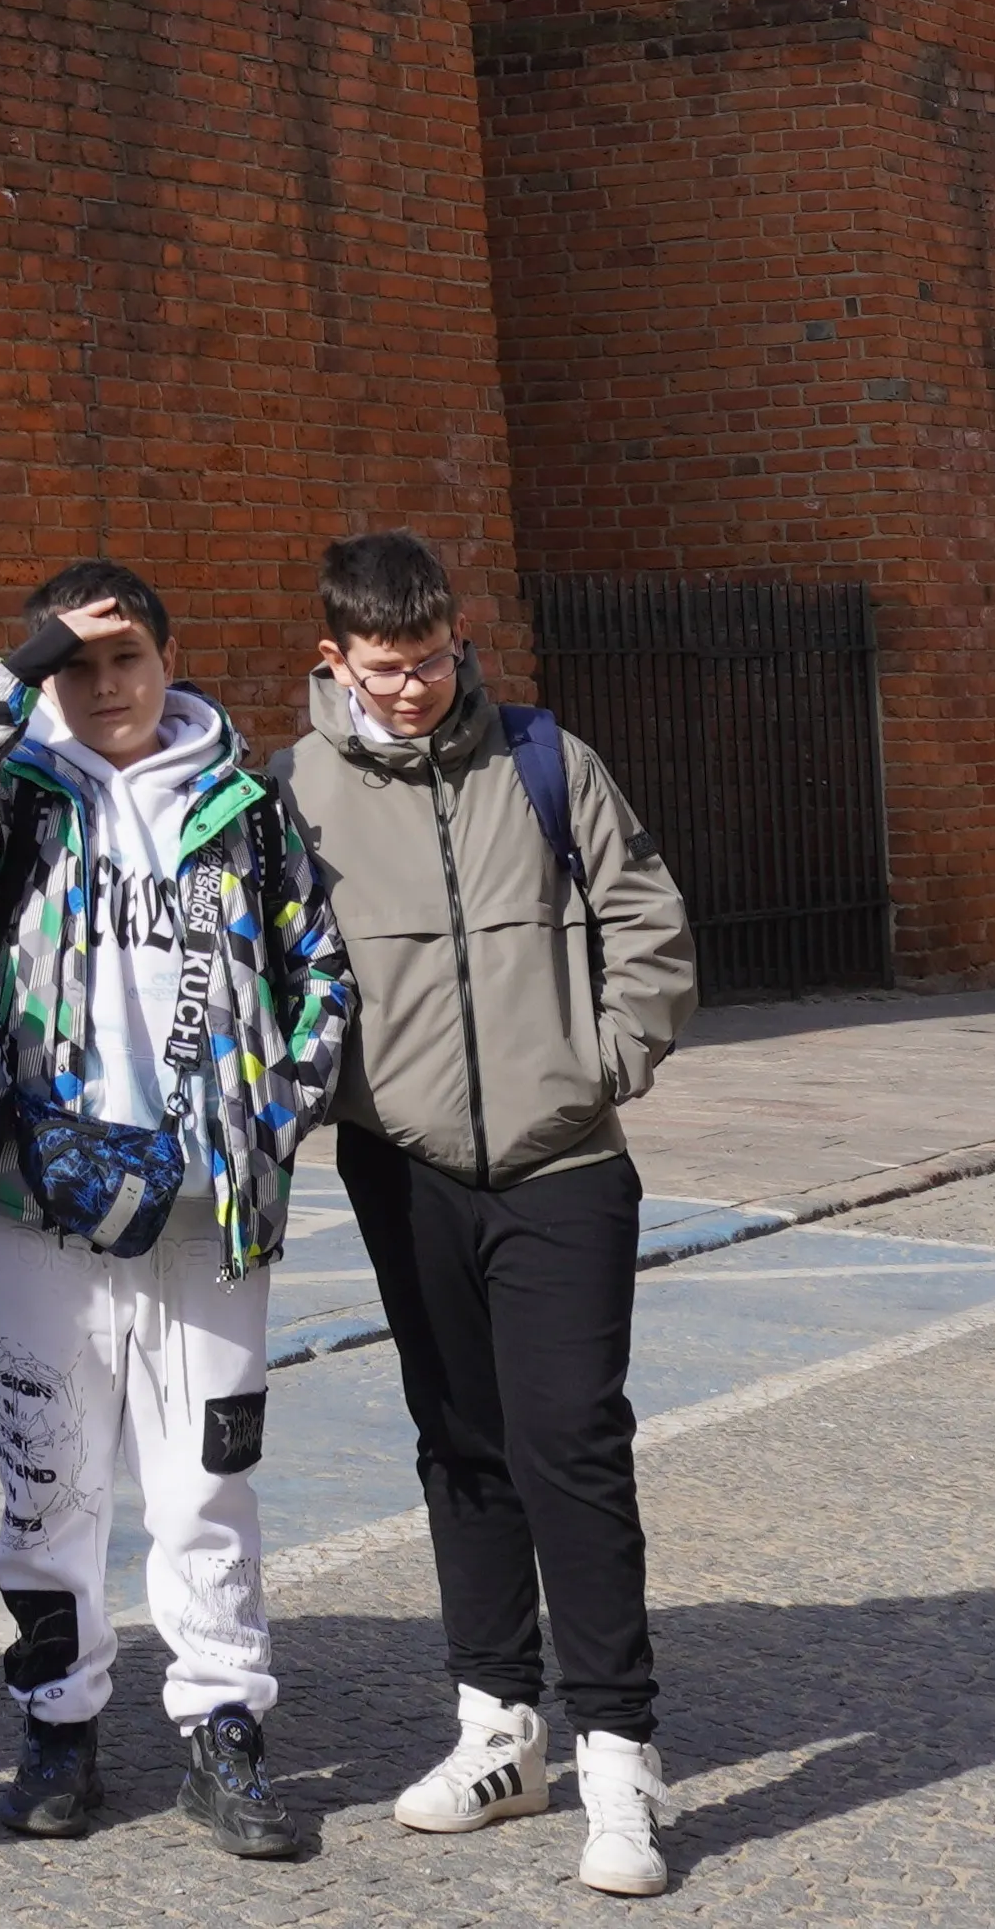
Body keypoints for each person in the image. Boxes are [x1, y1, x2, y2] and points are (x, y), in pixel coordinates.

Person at [0, 560, 353, 1861]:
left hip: (212, 1209)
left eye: (126, 655)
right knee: (50, 1478)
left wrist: (272, 1114)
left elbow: (321, 969)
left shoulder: (247, 807)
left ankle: (223, 1727)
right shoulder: (22, 797)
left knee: (210, 1471)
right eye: (77, 663)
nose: (106, 684)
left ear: (168, 657)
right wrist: (22, 657)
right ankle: (58, 1723)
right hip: (41, 1196)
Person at [277, 532, 701, 1897]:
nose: (418, 687)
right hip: (403, 1169)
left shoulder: (543, 759)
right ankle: (498, 1729)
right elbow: (273, 965)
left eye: (437, 656)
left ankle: (620, 1756)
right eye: (390, 667)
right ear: (334, 659)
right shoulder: (295, 792)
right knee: (458, 1441)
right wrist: (340, 1095)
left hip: (566, 1157)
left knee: (569, 1438)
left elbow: (646, 920)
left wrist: (599, 1061)